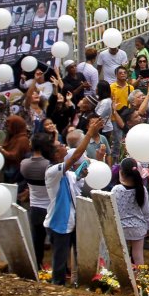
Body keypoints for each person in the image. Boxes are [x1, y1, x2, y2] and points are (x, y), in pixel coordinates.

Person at [44, 118, 103, 285]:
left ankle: (77, 282)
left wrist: (81, 174)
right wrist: (90, 133)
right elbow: (76, 154)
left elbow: (74, 179)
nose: (64, 147)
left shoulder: (66, 172)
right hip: (59, 222)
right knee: (60, 258)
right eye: (60, 147)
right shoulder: (52, 171)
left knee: (77, 253)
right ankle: (57, 286)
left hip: (71, 219)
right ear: (56, 154)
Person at [20, 133, 51, 269]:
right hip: (51, 206)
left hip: (35, 206)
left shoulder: (24, 164)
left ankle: (37, 265)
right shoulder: (49, 166)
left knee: (37, 239)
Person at [113, 157, 149, 266]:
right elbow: (146, 211)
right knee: (138, 255)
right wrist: (148, 226)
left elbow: (113, 209)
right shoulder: (142, 189)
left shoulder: (116, 189)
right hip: (138, 227)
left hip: (121, 227)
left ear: (121, 172)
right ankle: (142, 279)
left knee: (122, 256)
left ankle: (124, 278)